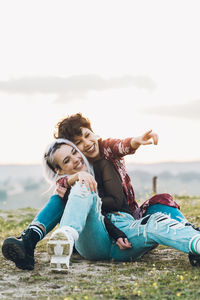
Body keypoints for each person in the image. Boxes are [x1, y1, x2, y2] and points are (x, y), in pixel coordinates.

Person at [2, 113, 200, 269]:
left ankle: (191, 235)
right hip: (96, 232)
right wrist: (77, 178)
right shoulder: (75, 177)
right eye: (78, 144)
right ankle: (41, 238)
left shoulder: (104, 150)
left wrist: (136, 141)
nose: (86, 144)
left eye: (87, 135)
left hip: (126, 221)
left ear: (93, 132)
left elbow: (119, 146)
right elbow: (61, 183)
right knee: (74, 191)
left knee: (160, 204)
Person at [39, 139, 200, 270]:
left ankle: (197, 243)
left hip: (126, 236)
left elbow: (110, 147)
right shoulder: (65, 189)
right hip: (93, 240)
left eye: (74, 152)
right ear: (59, 170)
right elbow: (96, 214)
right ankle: (66, 237)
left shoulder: (99, 167)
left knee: (155, 221)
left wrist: (134, 142)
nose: (75, 159)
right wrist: (78, 178)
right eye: (67, 160)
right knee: (83, 185)